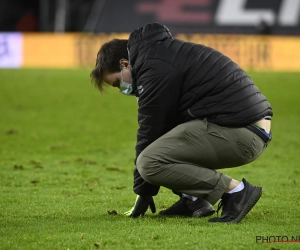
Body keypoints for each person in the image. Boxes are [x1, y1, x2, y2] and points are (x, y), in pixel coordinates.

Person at [90, 23, 272, 223]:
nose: (121, 89)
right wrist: (146, 188)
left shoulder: (153, 67)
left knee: (150, 162)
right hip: (246, 128)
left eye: (117, 83)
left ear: (124, 64)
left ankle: (236, 192)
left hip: (242, 133)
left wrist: (144, 190)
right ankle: (192, 200)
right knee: (164, 146)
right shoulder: (159, 55)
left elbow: (151, 132)